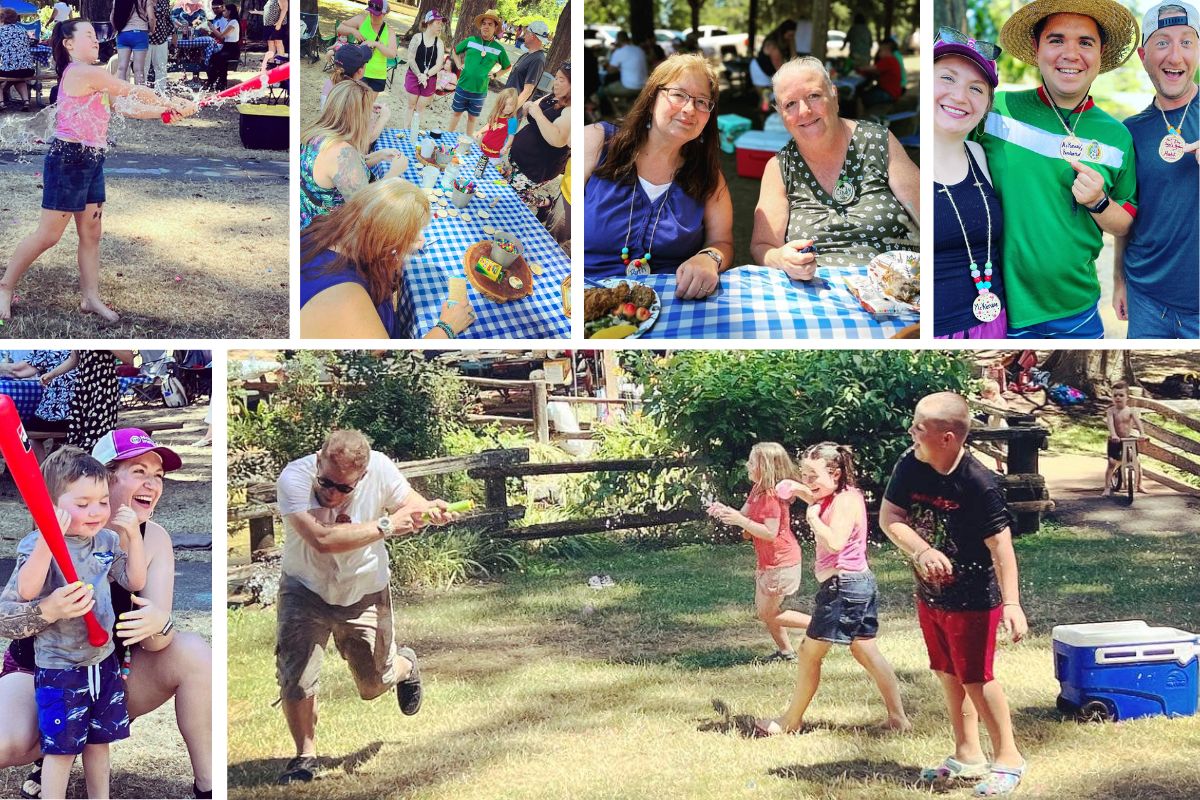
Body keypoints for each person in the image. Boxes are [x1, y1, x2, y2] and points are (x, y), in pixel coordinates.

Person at [0, 428, 214, 799]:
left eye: (158, 475)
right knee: (10, 740)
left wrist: (159, 623)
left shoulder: (152, 537)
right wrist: (46, 610)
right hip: (41, 668)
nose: (153, 484)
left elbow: (157, 637)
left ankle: (208, 785)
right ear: (103, 475)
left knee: (193, 651)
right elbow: (6, 617)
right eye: (139, 471)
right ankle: (50, 753)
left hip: (106, 668)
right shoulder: (53, 532)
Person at [272, 429, 463, 784]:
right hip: (305, 586)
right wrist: (388, 524)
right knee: (296, 677)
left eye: (344, 488)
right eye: (326, 482)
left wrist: (428, 511)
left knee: (373, 684)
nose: (332, 494)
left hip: (364, 589)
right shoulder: (295, 476)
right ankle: (304, 757)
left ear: (363, 474)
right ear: (320, 459)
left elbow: (411, 503)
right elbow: (323, 539)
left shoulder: (381, 468)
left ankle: (405, 665)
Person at [880, 392, 1027, 797]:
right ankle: (967, 753)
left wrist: (1012, 603)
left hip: (975, 597)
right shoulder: (911, 462)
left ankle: (1009, 759)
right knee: (948, 673)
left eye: (919, 428)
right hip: (930, 593)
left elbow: (1001, 546)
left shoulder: (978, 482)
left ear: (948, 438)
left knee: (977, 678)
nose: (911, 433)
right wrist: (922, 550)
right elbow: (889, 517)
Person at [0, 21, 194, 323]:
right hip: (68, 159)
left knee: (91, 233)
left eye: (95, 35)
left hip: (92, 158)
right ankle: (5, 287)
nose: (95, 40)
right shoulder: (81, 72)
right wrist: (172, 101)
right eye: (88, 36)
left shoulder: (98, 77)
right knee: (48, 235)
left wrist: (165, 112)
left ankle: (90, 298)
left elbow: (126, 106)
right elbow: (133, 89)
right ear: (68, 44)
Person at [988, 0, 1139, 338]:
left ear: (1101, 53)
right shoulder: (995, 111)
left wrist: (1098, 201)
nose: (1071, 54)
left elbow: (1125, 221)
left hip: (1078, 311)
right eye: (1056, 40)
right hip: (1001, 309)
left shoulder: (1117, 136)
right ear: (1035, 47)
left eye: (1085, 42)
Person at [10, 448, 145, 800]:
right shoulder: (36, 544)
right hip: (60, 668)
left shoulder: (107, 540)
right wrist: (46, 541)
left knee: (100, 743)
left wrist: (133, 535)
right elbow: (26, 590)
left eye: (102, 501)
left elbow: (133, 579)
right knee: (62, 750)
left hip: (103, 662)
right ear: (51, 505)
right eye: (82, 504)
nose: (96, 511)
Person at [754, 442, 911, 735]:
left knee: (808, 653)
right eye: (804, 473)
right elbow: (815, 497)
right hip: (858, 583)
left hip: (844, 588)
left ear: (835, 473)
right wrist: (797, 489)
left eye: (812, 475)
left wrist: (812, 520)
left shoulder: (844, 502)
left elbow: (836, 541)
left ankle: (790, 720)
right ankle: (898, 718)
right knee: (865, 651)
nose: (807, 481)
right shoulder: (837, 495)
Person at [751, 57, 920, 279]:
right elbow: (763, 246)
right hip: (818, 298)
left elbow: (929, 216)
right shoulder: (779, 168)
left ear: (834, 95)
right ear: (780, 114)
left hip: (894, 289)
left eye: (813, 96)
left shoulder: (878, 142)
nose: (804, 111)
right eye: (790, 104)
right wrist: (781, 258)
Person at [583, 54, 732, 299]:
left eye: (702, 101)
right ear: (652, 97)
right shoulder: (597, 141)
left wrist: (709, 257)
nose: (689, 109)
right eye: (679, 94)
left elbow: (722, 241)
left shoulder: (708, 175)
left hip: (669, 305)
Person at [1114, 2, 1199, 338]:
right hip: (1146, 300)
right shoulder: (1129, 131)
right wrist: (1119, 281)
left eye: (1186, 42)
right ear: (1143, 55)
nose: (1175, 57)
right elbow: (1128, 213)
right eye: (1162, 42)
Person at [300, 179, 475, 339]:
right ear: (387, 240)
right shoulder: (345, 299)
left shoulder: (329, 228)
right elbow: (399, 360)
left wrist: (400, 244)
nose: (418, 237)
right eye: (410, 235)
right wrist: (447, 327)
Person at [933, 28, 1007, 338]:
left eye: (976, 88)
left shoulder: (981, 155)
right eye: (947, 78)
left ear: (988, 104)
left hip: (994, 323)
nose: (960, 96)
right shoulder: (909, 165)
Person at [706, 443, 810, 662]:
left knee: (767, 612)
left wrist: (741, 521)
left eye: (752, 462)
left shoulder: (770, 497)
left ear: (766, 467)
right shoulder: (758, 489)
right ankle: (786, 652)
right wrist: (724, 511)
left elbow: (770, 533)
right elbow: (743, 513)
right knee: (766, 611)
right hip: (770, 561)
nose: (748, 465)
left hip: (781, 561)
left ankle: (821, 625)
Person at [299, 79, 406, 230]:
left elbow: (342, 175)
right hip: (326, 231)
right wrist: (394, 173)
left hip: (309, 216)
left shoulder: (317, 132)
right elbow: (366, 207)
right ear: (357, 118)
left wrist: (378, 156)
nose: (371, 116)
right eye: (369, 111)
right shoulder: (340, 152)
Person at [502, 64, 570, 213]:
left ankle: (546, 203)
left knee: (517, 196)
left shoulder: (572, 110)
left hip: (537, 166)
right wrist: (530, 108)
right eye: (556, 78)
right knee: (509, 186)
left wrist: (537, 113)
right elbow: (530, 107)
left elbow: (558, 139)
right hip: (521, 155)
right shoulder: (553, 96)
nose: (556, 82)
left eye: (561, 80)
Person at [448, 9, 510, 136]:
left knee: (472, 118)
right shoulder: (471, 40)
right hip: (462, 86)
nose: (486, 26)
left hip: (479, 91)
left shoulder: (499, 49)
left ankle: (467, 142)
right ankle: (446, 138)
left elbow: (507, 67)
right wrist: (459, 64)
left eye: (490, 24)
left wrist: (496, 75)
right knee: (456, 114)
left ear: (496, 27)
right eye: (484, 23)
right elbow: (454, 50)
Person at [67, 349, 136, 450]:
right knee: (77, 435)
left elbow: (129, 359)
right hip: (83, 387)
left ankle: (94, 463)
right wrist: (51, 375)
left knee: (96, 436)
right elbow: (74, 359)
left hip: (103, 387)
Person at [397, 8, 445, 135]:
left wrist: (426, 75)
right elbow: (411, 59)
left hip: (430, 78)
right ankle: (405, 131)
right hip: (414, 75)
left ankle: (414, 132)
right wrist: (419, 74)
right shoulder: (417, 38)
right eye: (438, 23)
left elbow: (439, 64)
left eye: (441, 23)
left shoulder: (439, 43)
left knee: (420, 108)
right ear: (429, 23)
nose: (440, 26)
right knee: (411, 106)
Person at [336, 0, 396, 99]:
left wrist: (376, 44)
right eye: (371, 12)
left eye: (376, 14)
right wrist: (353, 31)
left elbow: (392, 54)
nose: (372, 15)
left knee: (368, 107)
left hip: (378, 75)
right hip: (358, 72)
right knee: (354, 104)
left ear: (384, 13)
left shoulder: (389, 31)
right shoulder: (361, 20)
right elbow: (340, 28)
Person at [1103, 380, 1145, 495]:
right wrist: (1113, 434)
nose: (1118, 398)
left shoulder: (1131, 411)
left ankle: (1139, 484)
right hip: (1115, 440)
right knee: (1112, 462)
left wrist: (1142, 433)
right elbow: (1110, 424)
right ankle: (1107, 487)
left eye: (1121, 395)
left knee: (1137, 462)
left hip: (1128, 439)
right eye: (1115, 395)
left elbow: (1138, 422)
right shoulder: (1111, 411)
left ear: (1127, 398)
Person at [749, 20, 796, 112]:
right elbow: (779, 68)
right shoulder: (773, 44)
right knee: (765, 98)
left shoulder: (788, 40)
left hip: (771, 70)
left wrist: (792, 43)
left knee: (771, 97)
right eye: (790, 35)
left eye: (793, 35)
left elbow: (794, 59)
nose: (792, 37)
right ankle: (763, 120)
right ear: (783, 32)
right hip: (760, 70)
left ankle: (766, 116)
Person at [505, 19, 550, 106]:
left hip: (512, 110)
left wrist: (511, 110)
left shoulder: (538, 59)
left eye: (526, 33)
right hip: (505, 103)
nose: (524, 35)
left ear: (532, 36)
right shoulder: (527, 54)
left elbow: (527, 91)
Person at [319, 41, 371, 112]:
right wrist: (382, 119)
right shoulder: (356, 93)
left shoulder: (329, 82)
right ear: (360, 71)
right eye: (366, 62)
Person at [0, 8, 36, 111]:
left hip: (9, 71)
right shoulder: (22, 30)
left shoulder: (1, 31)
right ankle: (26, 101)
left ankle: (1, 103)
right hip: (27, 70)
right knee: (19, 78)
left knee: (10, 73)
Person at [600, 30, 647, 108]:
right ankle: (627, 104)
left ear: (618, 40)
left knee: (604, 90)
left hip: (631, 87)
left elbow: (610, 71)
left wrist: (605, 63)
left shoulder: (619, 52)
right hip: (643, 85)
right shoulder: (639, 49)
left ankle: (615, 113)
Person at [112, 0, 154, 85]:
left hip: (123, 35)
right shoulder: (145, 1)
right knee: (138, 69)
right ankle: (138, 96)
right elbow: (151, 18)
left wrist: (117, 29)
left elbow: (112, 18)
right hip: (140, 34)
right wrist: (152, 30)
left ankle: (121, 96)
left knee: (121, 68)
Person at [475, 86, 519, 164]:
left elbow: (511, 137)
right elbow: (489, 125)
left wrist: (505, 147)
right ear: (500, 104)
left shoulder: (512, 121)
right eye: (505, 104)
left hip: (495, 153)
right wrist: (480, 131)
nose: (508, 108)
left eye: (511, 104)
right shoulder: (496, 114)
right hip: (483, 147)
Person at [857, 37, 904, 110]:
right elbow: (876, 71)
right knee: (867, 92)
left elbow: (874, 68)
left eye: (880, 51)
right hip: (891, 92)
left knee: (860, 98)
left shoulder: (888, 60)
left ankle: (861, 117)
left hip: (889, 93)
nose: (878, 53)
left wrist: (859, 68)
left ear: (887, 50)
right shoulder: (892, 59)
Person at [203, 2, 239, 91]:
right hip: (226, 46)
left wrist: (212, 28)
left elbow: (221, 36)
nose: (223, 13)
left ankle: (220, 82)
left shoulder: (233, 22)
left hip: (232, 48)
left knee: (220, 58)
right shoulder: (228, 22)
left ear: (230, 12)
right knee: (213, 57)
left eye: (225, 11)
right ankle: (213, 80)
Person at [147, 0, 172, 92]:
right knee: (143, 69)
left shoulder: (164, 1)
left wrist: (173, 33)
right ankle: (141, 94)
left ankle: (160, 93)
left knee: (161, 68)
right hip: (145, 38)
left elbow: (168, 18)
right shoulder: (142, 1)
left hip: (162, 37)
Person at [260, 0, 287, 72]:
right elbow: (267, 12)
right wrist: (256, 12)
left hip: (277, 24)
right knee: (271, 44)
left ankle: (281, 62)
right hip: (268, 25)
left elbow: (284, 9)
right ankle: (271, 62)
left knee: (278, 43)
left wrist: (279, 23)